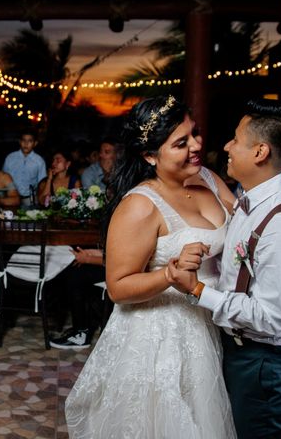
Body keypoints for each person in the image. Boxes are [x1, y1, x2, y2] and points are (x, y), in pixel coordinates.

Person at [65, 95, 236, 438]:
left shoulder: (207, 176)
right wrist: (168, 275)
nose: (197, 145)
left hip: (212, 319)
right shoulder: (141, 205)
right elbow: (118, 287)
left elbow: (243, 221)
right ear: (149, 155)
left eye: (195, 134)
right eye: (181, 143)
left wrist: (271, 199)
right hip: (163, 337)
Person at [167, 98, 281, 439]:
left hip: (265, 362)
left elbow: (270, 316)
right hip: (240, 351)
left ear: (261, 152)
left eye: (236, 139)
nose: (227, 146)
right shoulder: (247, 200)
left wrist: (197, 290)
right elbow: (239, 268)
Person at [49, 246, 106, 349]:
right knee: (75, 268)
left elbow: (121, 259)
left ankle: (81, 333)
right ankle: (84, 326)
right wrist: (96, 253)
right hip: (113, 265)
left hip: (120, 271)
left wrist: (88, 259)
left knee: (76, 274)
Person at [2, 129, 47, 207]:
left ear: (35, 143)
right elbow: (3, 179)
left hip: (30, 200)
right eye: (24, 140)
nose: (26, 144)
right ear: (19, 141)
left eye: (30, 141)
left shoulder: (39, 161)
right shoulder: (10, 158)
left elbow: (42, 184)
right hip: (11, 199)